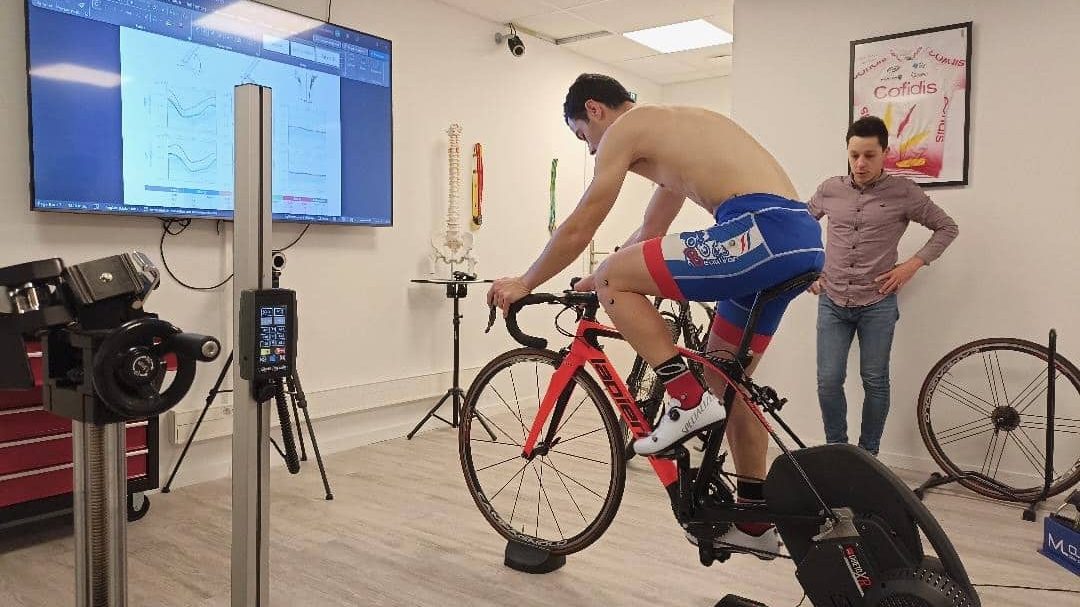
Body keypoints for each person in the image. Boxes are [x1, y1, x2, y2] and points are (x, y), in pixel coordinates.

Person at [487, 73, 824, 557]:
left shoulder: (630, 127)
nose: (589, 151)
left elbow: (584, 219)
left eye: (583, 136)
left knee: (620, 287)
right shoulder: (673, 133)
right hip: (797, 238)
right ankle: (753, 520)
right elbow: (651, 229)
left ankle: (685, 400)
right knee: (726, 382)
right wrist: (593, 281)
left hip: (758, 229)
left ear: (596, 111)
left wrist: (527, 281)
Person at [807, 115, 958, 456]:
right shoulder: (829, 189)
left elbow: (947, 228)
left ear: (885, 153)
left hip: (877, 303)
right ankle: (837, 452)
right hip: (832, 301)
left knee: (875, 381)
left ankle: (868, 455)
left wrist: (912, 265)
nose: (860, 163)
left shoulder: (904, 192)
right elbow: (800, 229)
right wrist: (809, 272)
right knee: (828, 381)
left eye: (869, 155)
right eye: (854, 154)